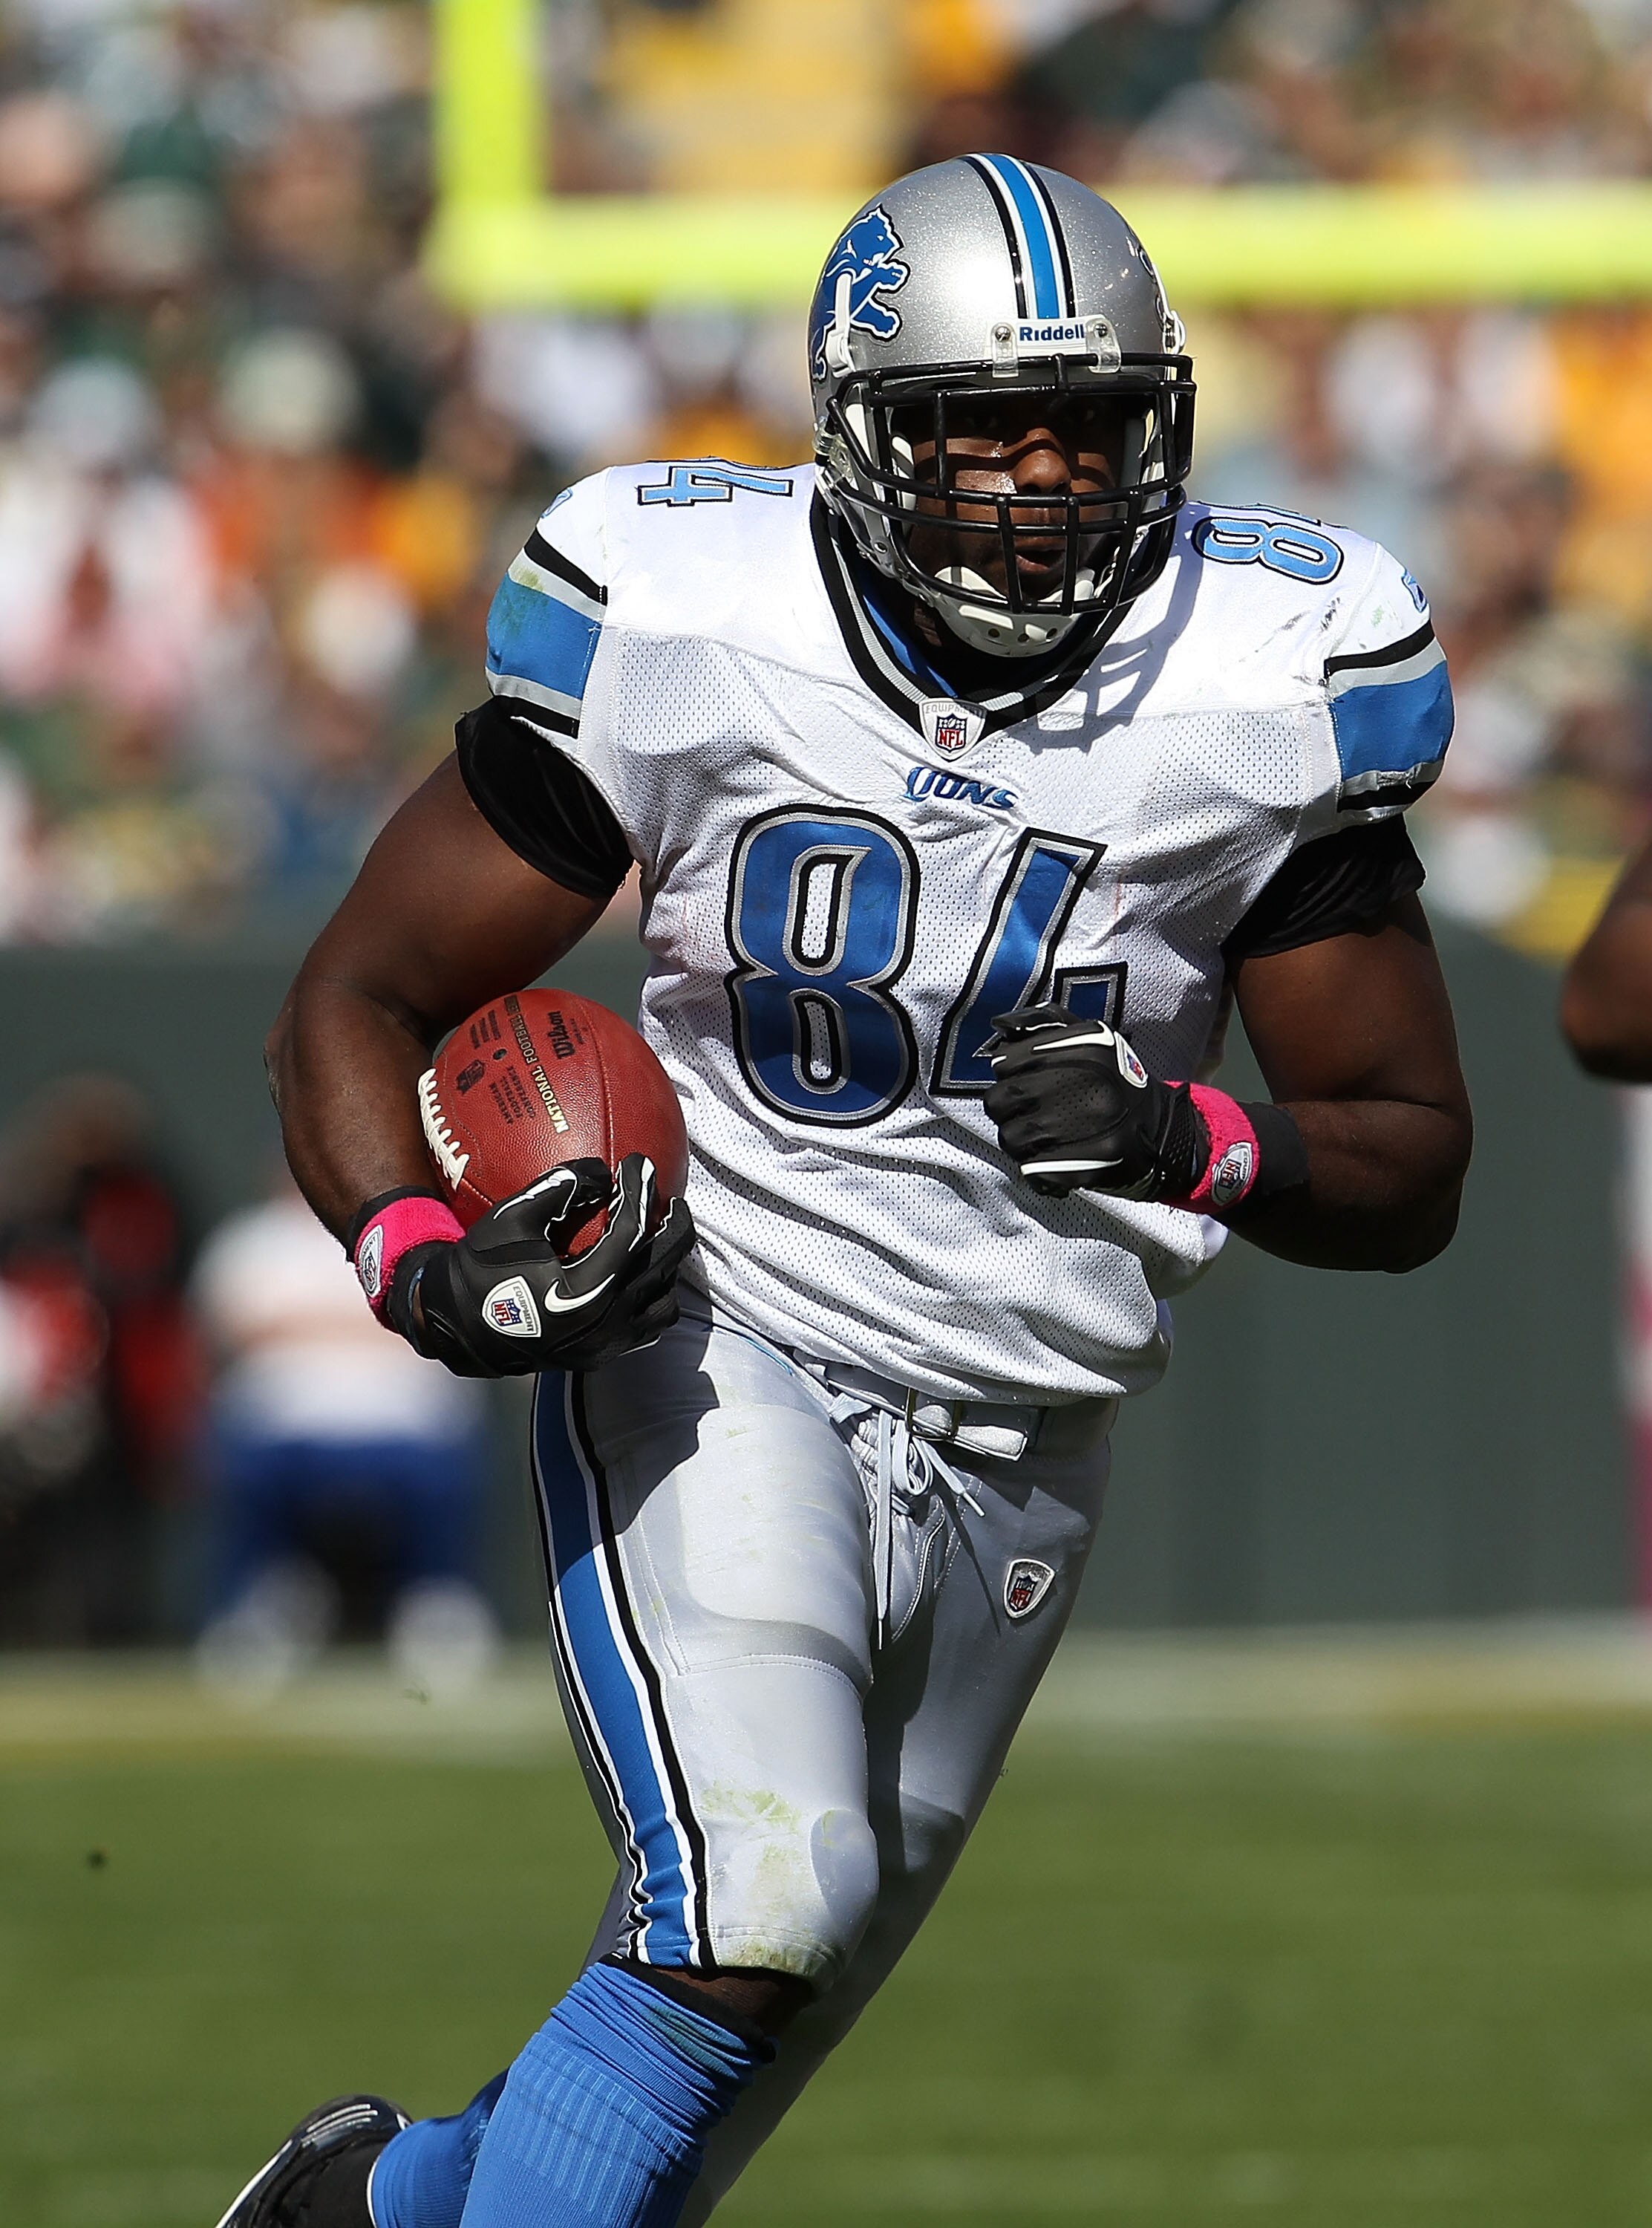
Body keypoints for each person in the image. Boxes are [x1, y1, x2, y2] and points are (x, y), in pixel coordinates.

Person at [216, 157, 1472, 2228]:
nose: (1038, 485)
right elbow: (359, 991)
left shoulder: (1262, 673)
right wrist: (422, 1260)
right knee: (760, 1889)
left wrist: (1194, 1139)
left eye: (1083, 425)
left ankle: (362, 2209)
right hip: (727, 1332)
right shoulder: (697, 616)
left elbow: (1407, 1150)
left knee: (705, 2057)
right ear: (863, 431)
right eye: (983, 431)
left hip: (1029, 1429)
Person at [191, 1173, 497, 1697]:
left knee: (441, 1476)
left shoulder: (428, 1230)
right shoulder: (252, 1242)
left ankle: (437, 1608)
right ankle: (264, 1605)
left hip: (408, 1429)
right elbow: (230, 1331)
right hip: (283, 1431)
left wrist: (303, 1328)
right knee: (247, 1469)